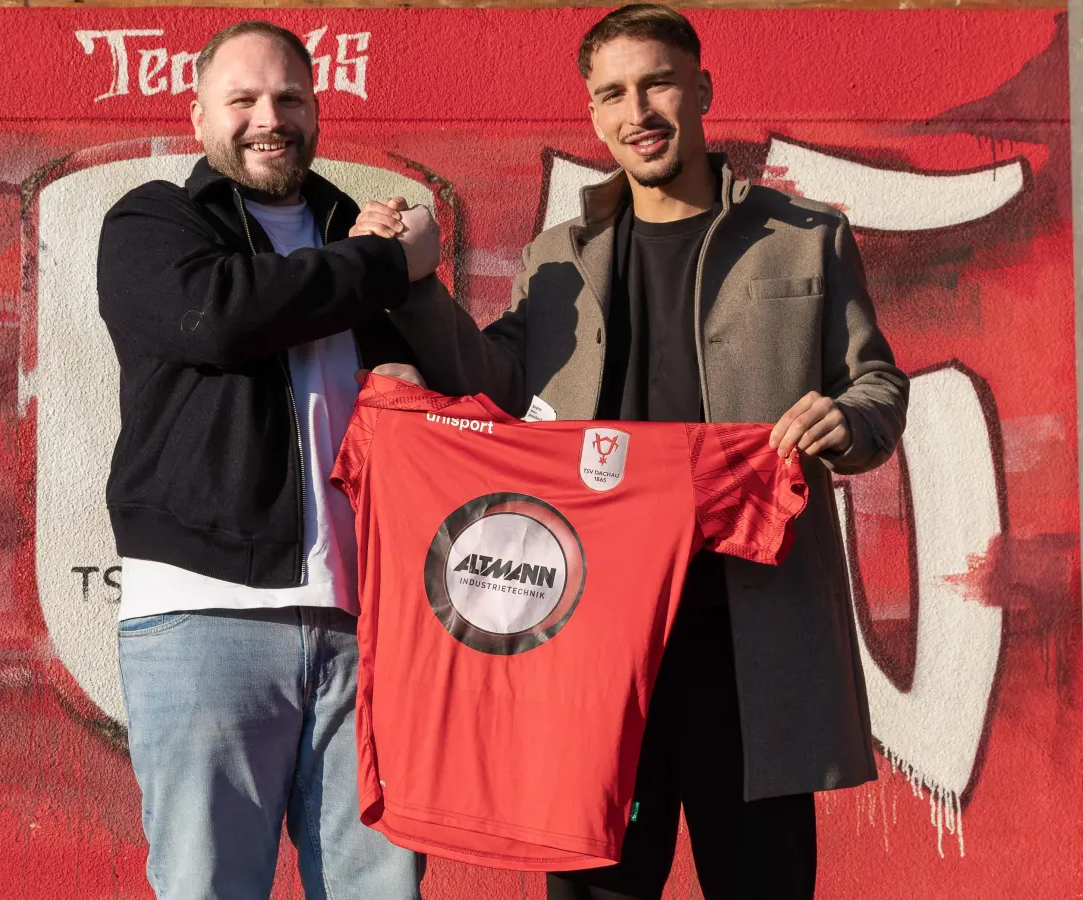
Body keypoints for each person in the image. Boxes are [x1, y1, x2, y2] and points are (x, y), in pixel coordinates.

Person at [353, 5, 908, 898]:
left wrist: (848, 423)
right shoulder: (558, 258)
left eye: (656, 83)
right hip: (590, 657)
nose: (636, 110)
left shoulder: (804, 236)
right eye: (611, 93)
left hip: (751, 640)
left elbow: (876, 383)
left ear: (702, 91)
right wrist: (411, 287)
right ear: (595, 115)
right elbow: (495, 381)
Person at [95, 19, 437, 900]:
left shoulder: (359, 236)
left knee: (379, 891)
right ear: (199, 112)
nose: (267, 117)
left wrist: (407, 295)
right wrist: (379, 263)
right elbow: (224, 316)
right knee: (210, 887)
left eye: (288, 97)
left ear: (317, 108)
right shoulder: (154, 221)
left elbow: (453, 394)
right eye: (242, 98)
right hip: (208, 617)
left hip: (373, 623)